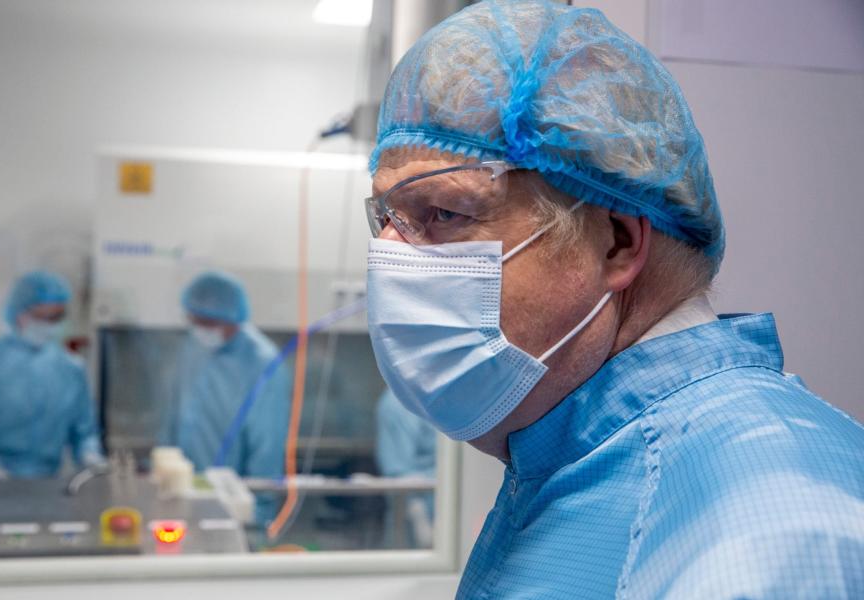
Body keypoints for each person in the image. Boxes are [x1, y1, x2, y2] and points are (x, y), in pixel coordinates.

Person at [363, 2, 864, 598]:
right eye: (386, 218)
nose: (392, 257)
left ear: (617, 243)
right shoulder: (572, 463)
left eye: (445, 212)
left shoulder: (777, 536)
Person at [0, 271, 103, 478]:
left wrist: (90, 456)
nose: (52, 325)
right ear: (20, 315)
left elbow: (84, 432)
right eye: (44, 317)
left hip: (45, 485)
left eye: (58, 317)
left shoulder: (70, 369)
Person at [161, 272, 290, 485]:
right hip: (184, 484)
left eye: (209, 322)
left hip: (234, 494)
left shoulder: (263, 364)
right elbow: (174, 414)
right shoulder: (194, 347)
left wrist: (256, 508)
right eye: (195, 321)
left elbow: (267, 448)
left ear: (233, 318)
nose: (201, 329)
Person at [376, 388, 436, 548]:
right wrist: (422, 524)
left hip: (447, 520)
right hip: (415, 523)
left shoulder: (444, 397)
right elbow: (400, 476)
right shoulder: (398, 403)